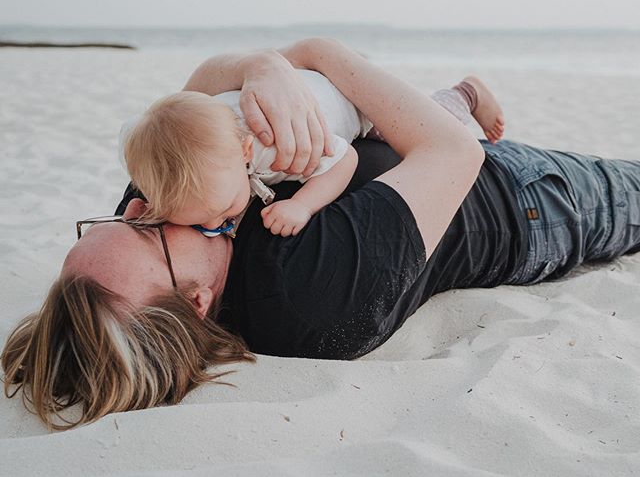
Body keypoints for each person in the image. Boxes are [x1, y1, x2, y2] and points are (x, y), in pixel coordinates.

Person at [2, 38, 640, 431]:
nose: (138, 207)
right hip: (524, 205)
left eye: (109, 220)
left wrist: (259, 66)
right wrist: (315, 53)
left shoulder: (156, 221)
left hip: (404, 139)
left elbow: (191, 99)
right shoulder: (305, 297)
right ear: (195, 301)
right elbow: (452, 154)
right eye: (144, 231)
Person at [120, 70, 504, 237]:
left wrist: (302, 204)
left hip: (355, 102)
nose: (221, 224)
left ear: (246, 152)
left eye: (223, 213)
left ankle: (467, 94)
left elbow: (344, 159)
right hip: (301, 83)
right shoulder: (206, 137)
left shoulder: (275, 150)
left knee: (418, 130)